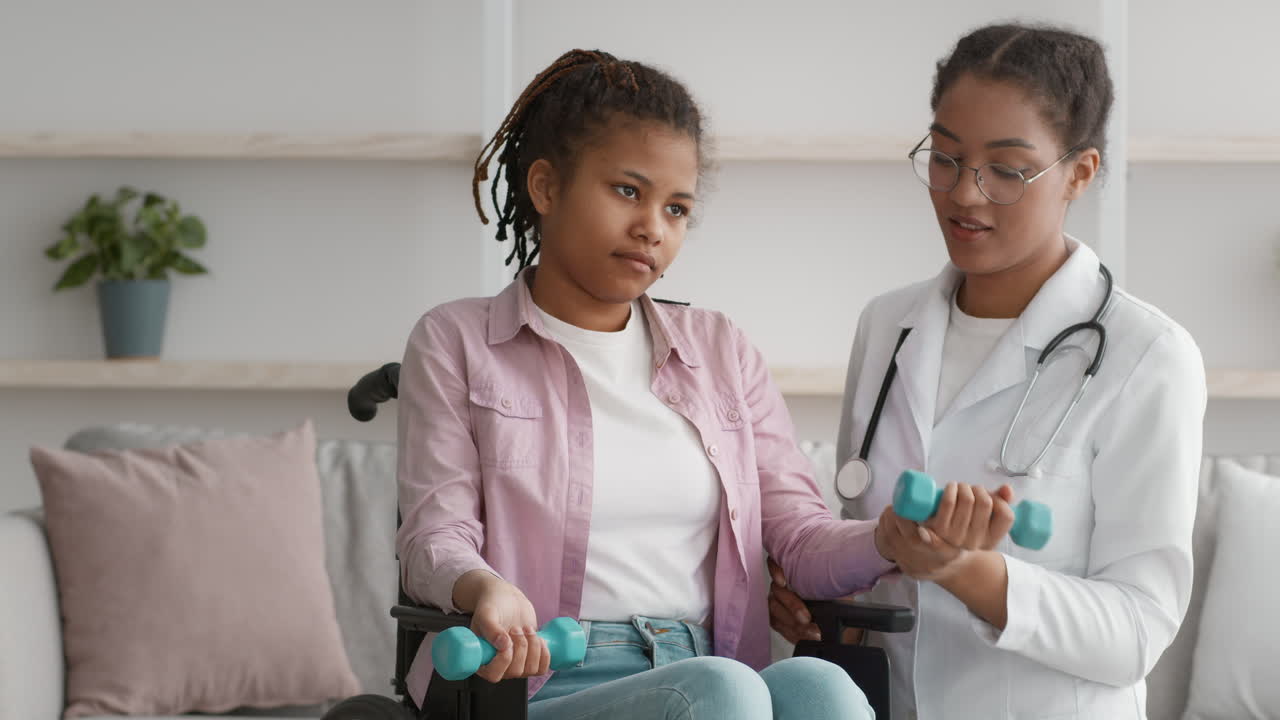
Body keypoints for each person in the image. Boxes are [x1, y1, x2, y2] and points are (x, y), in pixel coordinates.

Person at [395, 48, 1003, 720]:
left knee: (824, 692)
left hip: (706, 670)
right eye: (627, 191)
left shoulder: (721, 350)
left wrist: (888, 541)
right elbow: (434, 536)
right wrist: (484, 588)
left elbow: (798, 537)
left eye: (677, 208)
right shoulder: (457, 341)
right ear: (545, 187)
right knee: (723, 690)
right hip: (530, 684)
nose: (653, 228)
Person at [769, 23, 1207, 720]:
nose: (964, 195)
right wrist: (808, 595)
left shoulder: (1148, 355)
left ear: (1081, 172)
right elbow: (867, 543)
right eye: (945, 157)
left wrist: (967, 573)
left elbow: (1136, 630)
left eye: (1006, 170)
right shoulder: (888, 325)